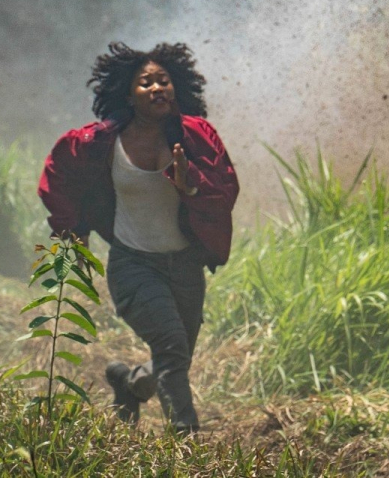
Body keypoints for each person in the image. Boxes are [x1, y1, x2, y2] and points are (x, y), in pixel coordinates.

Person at [37, 41, 239, 431]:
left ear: (177, 86)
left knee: (173, 359)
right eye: (145, 83)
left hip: (185, 265)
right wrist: (72, 233)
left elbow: (225, 191)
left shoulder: (196, 136)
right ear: (128, 94)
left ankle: (128, 383)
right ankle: (187, 446)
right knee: (171, 348)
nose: (157, 88)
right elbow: (57, 176)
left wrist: (190, 183)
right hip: (133, 264)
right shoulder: (99, 143)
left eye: (163, 81)